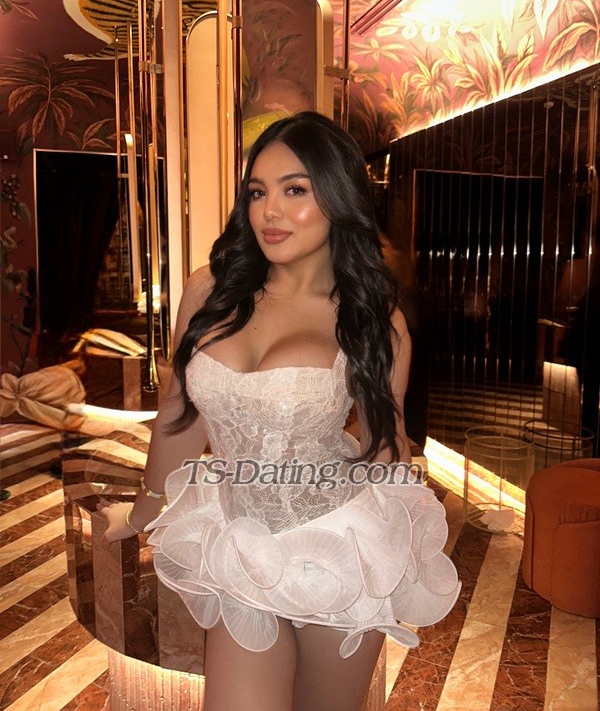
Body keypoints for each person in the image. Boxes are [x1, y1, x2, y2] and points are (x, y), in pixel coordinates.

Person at [99, 112, 460, 711]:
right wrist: (143, 510)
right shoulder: (210, 290)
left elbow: (386, 443)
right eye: (257, 192)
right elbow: (179, 414)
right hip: (241, 546)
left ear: (338, 197)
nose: (270, 211)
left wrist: (406, 533)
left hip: (340, 549)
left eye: (295, 190)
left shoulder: (373, 319)